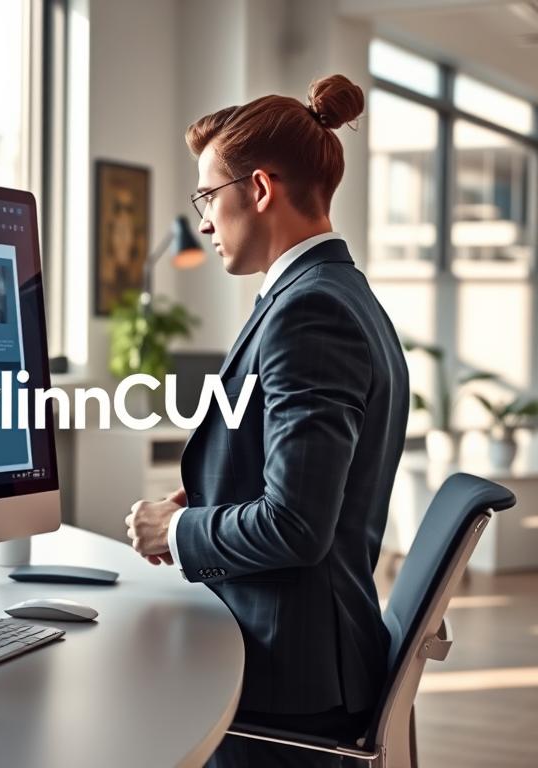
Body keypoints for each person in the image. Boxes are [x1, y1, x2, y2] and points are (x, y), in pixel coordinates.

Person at [125, 74, 409, 767]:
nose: (201, 222)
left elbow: (297, 525)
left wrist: (180, 530)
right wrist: (216, 497)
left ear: (258, 189)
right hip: (303, 654)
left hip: (292, 681)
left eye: (207, 197)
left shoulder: (311, 313)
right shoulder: (331, 295)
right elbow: (305, 482)